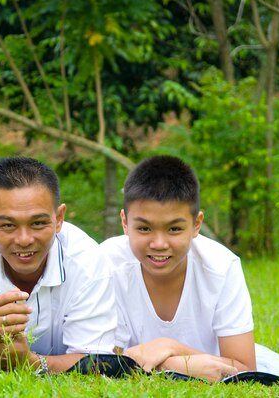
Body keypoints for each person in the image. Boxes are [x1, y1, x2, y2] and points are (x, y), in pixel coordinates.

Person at [0, 156, 116, 374]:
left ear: (59, 218)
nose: (24, 239)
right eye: (8, 225)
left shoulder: (87, 260)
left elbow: (98, 364)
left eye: (38, 223)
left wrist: (29, 361)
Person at [102, 155, 256, 382]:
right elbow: (103, 361)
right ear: (125, 222)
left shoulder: (222, 267)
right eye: (144, 228)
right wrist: (177, 364)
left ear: (196, 224)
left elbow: (245, 370)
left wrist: (169, 346)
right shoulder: (106, 264)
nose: (159, 243)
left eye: (174, 229)